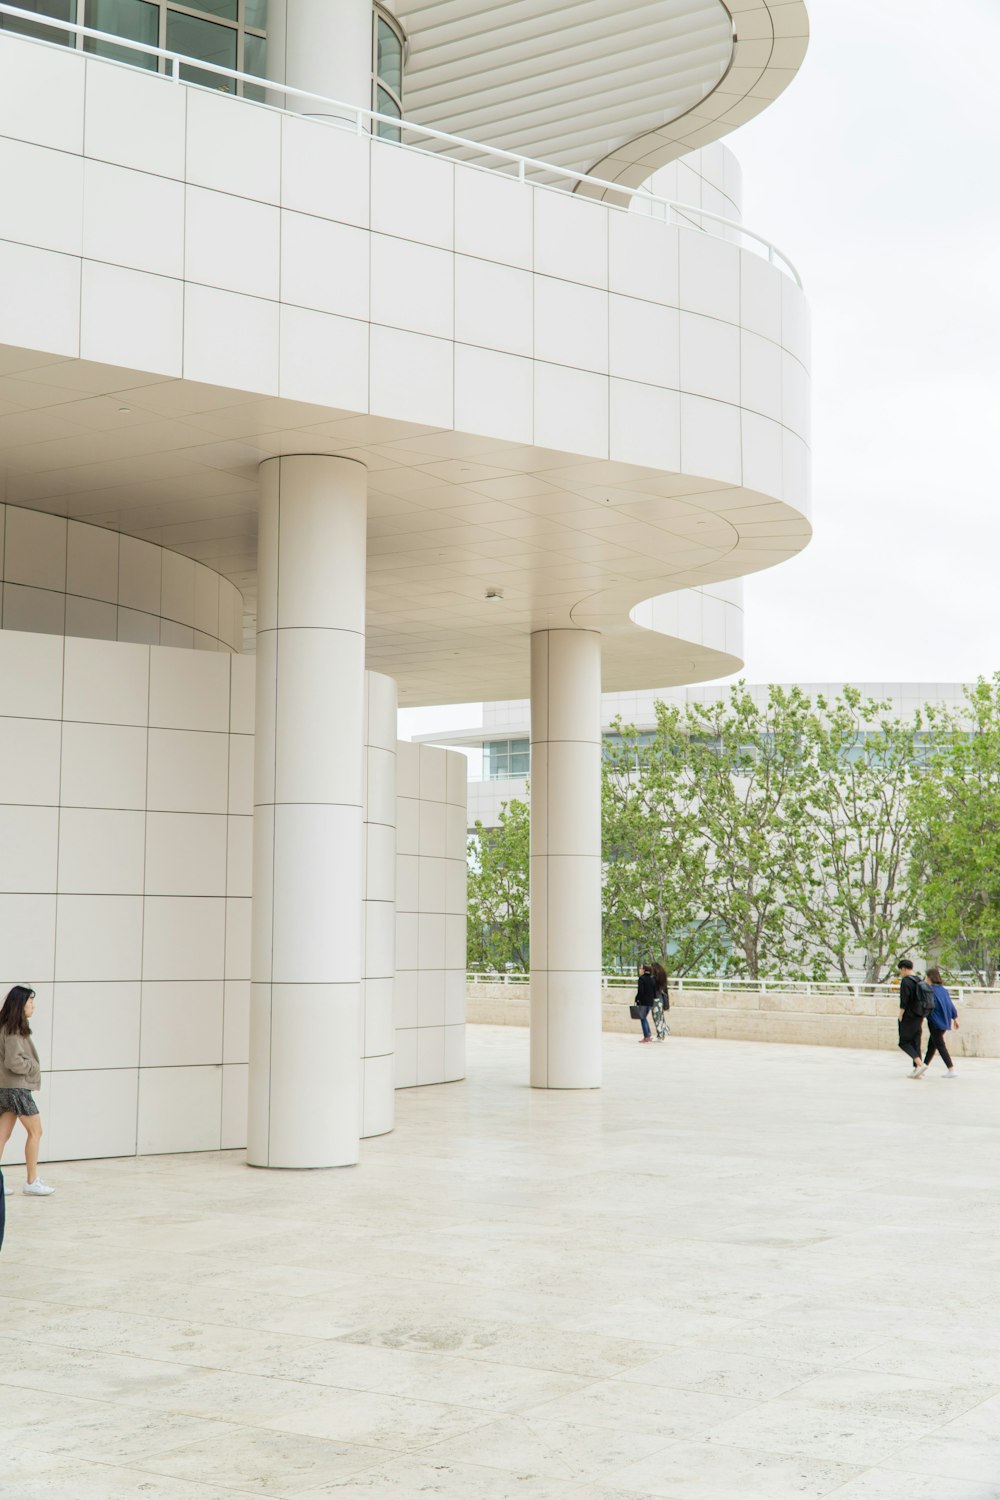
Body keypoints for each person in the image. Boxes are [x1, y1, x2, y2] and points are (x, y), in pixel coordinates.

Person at [0, 986, 54, 1195]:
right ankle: (32, 1182)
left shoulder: (5, 1026)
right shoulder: (13, 1029)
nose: (33, 1006)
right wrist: (32, 1066)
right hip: (17, 1090)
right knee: (36, 1131)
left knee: (2, 1135)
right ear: (20, 1005)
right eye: (30, 1002)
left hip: (5, 1088)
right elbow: (13, 1061)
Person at [924, 965, 958, 1076]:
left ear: (929, 977)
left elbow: (928, 1006)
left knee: (939, 1045)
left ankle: (951, 1069)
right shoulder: (943, 990)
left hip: (935, 1022)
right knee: (932, 1045)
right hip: (944, 1021)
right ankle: (923, 1067)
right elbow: (950, 1005)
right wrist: (955, 1018)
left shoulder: (930, 990)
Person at [896, 958, 927, 1078]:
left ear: (903, 969)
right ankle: (917, 1069)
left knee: (903, 1042)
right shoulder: (919, 980)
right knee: (915, 1041)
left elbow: (904, 1000)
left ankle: (920, 1064)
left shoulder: (906, 981)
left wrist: (900, 1014)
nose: (901, 973)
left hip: (909, 1015)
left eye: (900, 970)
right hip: (919, 1015)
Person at [634, 963, 657, 1043]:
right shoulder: (652, 979)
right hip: (650, 1002)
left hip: (643, 1001)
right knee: (644, 1018)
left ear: (644, 970)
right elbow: (654, 992)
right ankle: (648, 1034)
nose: (640, 970)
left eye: (641, 968)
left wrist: (637, 999)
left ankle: (646, 1036)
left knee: (643, 1018)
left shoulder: (641, 979)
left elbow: (641, 991)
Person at [650, 961, 670, 1042]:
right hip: (661, 999)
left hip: (655, 1000)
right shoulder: (662, 978)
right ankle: (663, 1033)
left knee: (657, 1018)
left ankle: (660, 1035)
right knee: (660, 1017)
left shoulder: (654, 979)